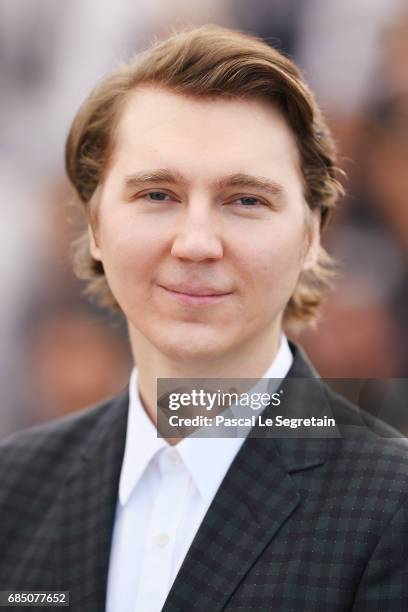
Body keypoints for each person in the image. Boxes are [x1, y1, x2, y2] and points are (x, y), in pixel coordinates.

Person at [1, 25, 407, 612]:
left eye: (246, 200)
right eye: (157, 195)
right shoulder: (13, 489)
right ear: (94, 224)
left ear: (311, 233)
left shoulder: (390, 503)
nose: (196, 244)